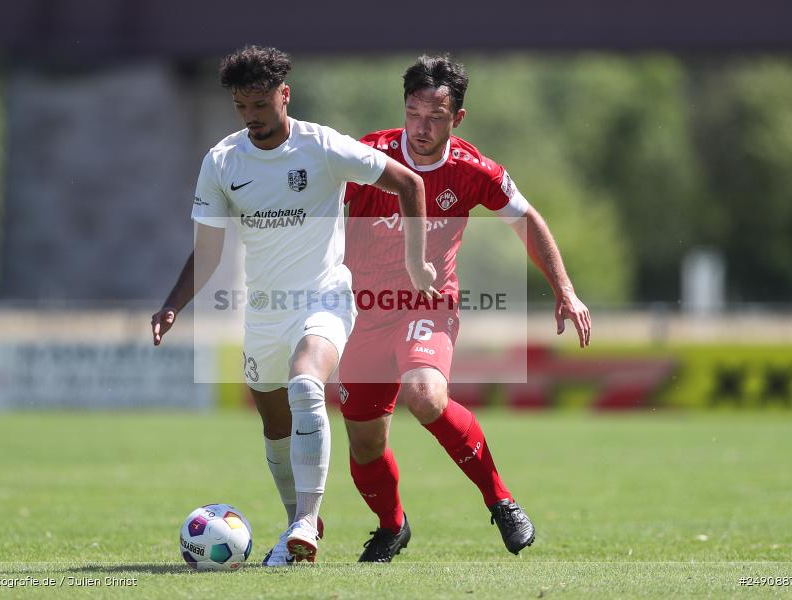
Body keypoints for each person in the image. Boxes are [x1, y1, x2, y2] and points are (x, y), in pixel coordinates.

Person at [151, 46, 436, 565]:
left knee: (307, 380)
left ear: (285, 94)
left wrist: (417, 264)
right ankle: (297, 526)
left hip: (324, 297)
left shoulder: (322, 146)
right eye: (241, 107)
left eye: (260, 103)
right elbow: (209, 250)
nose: (252, 117)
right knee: (276, 429)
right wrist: (173, 305)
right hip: (263, 312)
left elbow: (409, 183)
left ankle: (307, 519)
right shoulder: (222, 161)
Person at [338, 54, 592, 562]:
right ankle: (392, 527)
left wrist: (565, 289)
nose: (421, 127)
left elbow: (527, 220)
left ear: (458, 118)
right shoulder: (368, 155)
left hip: (427, 306)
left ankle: (500, 500)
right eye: (413, 113)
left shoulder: (474, 171)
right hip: (362, 312)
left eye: (435, 116)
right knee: (365, 442)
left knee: (425, 394)